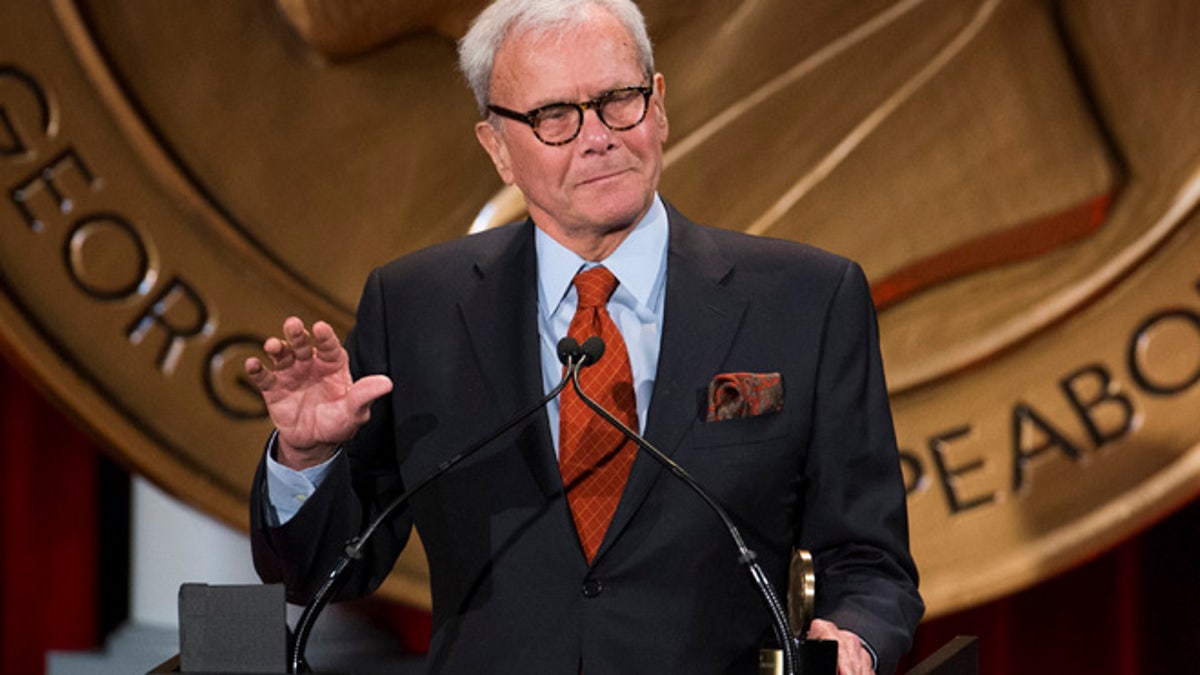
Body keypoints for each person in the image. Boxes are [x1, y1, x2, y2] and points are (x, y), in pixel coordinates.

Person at [245, 0, 923, 672]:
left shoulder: (805, 300)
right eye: (554, 117)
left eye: (617, 101)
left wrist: (855, 639)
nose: (597, 136)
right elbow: (320, 572)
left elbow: (869, 561)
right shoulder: (417, 307)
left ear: (658, 107)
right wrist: (306, 458)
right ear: (498, 148)